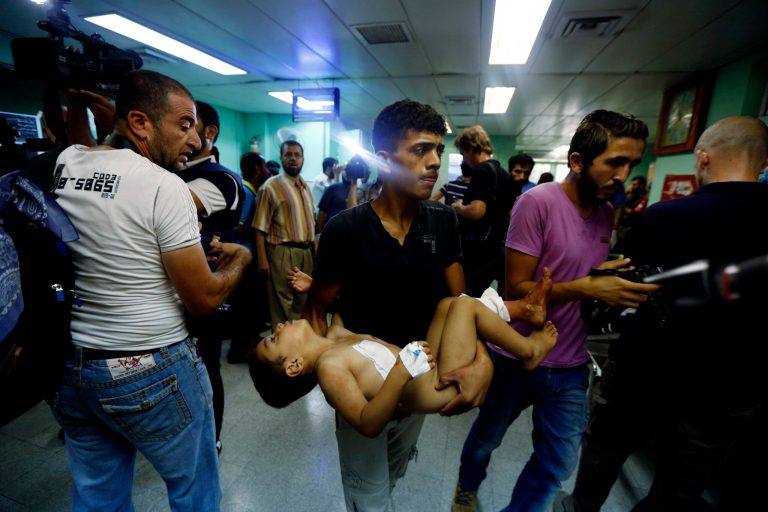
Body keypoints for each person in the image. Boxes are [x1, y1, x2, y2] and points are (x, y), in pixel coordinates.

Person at [49, 69, 251, 511]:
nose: (195, 141)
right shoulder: (165, 187)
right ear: (140, 124)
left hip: (73, 366)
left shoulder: (67, 164)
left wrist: (91, 106)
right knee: (194, 494)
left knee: (97, 497)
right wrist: (241, 262)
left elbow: (81, 143)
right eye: (184, 125)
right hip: (149, 365)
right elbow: (203, 298)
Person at [556, 116, 768, 512]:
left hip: (650, 368)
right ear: (762, 162)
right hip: (735, 382)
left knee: (607, 447)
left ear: (703, 159)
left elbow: (621, 287)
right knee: (685, 479)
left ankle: (579, 508)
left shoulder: (664, 217)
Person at [452, 110, 660, 512]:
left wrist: (605, 283)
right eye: (615, 161)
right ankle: (465, 487)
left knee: (558, 463)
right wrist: (585, 286)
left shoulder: (605, 212)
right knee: (486, 440)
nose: (623, 173)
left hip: (570, 362)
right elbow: (517, 289)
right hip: (517, 356)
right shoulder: (536, 203)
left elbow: (579, 274)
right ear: (578, 162)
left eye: (631, 163)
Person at [304, 99, 493, 511]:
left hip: (419, 372)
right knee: (368, 496)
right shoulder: (347, 229)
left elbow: (460, 304)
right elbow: (315, 312)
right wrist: (330, 375)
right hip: (363, 378)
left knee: (394, 470)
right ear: (386, 161)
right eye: (421, 150)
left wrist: (481, 361)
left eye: (439, 151)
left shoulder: (443, 221)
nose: (434, 163)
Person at [251, 274, 558, 437]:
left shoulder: (333, 338)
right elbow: (366, 423)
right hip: (436, 385)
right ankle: (528, 350)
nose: (278, 325)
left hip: (430, 364)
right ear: (294, 365)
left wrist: (315, 286)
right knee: (465, 308)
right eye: (276, 338)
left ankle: (523, 309)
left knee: (448, 304)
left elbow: (344, 303)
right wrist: (400, 373)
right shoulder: (330, 368)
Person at [177, 100, 244, 455]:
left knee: (204, 368)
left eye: (189, 125)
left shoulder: (222, 179)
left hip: (204, 296)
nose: (183, 135)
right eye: (177, 126)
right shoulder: (169, 169)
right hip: (168, 294)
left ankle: (210, 439)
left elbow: (159, 202)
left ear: (209, 132)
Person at [253, 140, 315, 330]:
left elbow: (311, 224)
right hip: (282, 252)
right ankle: (281, 355)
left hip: (306, 252)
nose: (293, 159)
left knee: (302, 304)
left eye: (297, 155)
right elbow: (259, 228)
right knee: (283, 307)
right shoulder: (270, 187)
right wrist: (263, 261)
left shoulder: (305, 187)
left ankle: (298, 351)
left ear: (303, 159)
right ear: (281, 158)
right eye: (289, 155)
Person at [451, 125, 515, 297]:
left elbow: (477, 211)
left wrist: (459, 208)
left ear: (471, 149)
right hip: (494, 249)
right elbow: (510, 213)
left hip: (476, 250)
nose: (464, 159)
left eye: (463, 153)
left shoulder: (482, 170)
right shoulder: (503, 174)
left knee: (466, 298)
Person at [227, 152, 271, 363]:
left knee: (251, 305)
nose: (267, 171)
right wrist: (262, 233)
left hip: (249, 256)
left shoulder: (253, 192)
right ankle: (239, 349)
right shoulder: (245, 193)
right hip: (243, 258)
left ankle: (249, 340)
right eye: (264, 166)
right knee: (243, 306)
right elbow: (240, 227)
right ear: (256, 169)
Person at [316, 155, 367, 233]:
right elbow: (322, 212)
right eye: (346, 168)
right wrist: (319, 233)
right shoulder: (333, 188)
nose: (347, 171)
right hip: (331, 233)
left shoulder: (361, 191)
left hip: (351, 234)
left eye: (351, 169)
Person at [612, 175, 648, 255]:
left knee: (620, 250)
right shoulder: (628, 194)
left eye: (635, 185)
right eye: (632, 184)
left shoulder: (643, 199)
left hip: (629, 229)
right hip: (620, 226)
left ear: (641, 186)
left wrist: (621, 205)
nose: (632, 186)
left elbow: (634, 213)